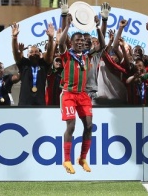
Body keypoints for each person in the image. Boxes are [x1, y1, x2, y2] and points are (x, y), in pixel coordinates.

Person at [58, 12, 93, 174]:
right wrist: (67, 25)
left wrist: (100, 24)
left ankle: (82, 158)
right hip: (69, 95)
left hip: (83, 95)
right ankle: (66, 160)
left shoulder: (86, 56)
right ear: (71, 43)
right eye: (76, 40)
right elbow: (60, 43)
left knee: (89, 126)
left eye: (82, 40)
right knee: (71, 126)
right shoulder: (67, 56)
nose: (80, 42)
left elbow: (104, 45)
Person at [11, 21, 55, 105]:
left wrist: (50, 38)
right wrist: (14, 38)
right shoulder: (24, 64)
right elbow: (16, 53)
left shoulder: (43, 64)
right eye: (31, 52)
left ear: (40, 54)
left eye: (36, 52)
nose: (34, 53)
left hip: (40, 102)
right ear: (27, 54)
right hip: (24, 102)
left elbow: (50, 53)